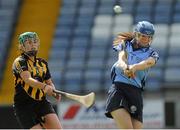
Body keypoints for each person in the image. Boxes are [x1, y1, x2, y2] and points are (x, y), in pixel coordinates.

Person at [105, 21, 159, 129]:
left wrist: (134, 67)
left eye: (149, 37)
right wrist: (125, 67)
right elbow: (121, 59)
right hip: (119, 90)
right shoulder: (125, 44)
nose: (146, 39)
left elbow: (148, 62)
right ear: (136, 34)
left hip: (135, 94)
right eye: (143, 36)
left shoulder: (152, 53)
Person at [12, 32, 62, 129]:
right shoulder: (19, 61)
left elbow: (49, 82)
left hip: (41, 103)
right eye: (29, 43)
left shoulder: (43, 63)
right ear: (22, 46)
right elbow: (28, 79)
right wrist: (44, 87)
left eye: (35, 42)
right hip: (24, 106)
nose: (33, 45)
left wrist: (53, 91)